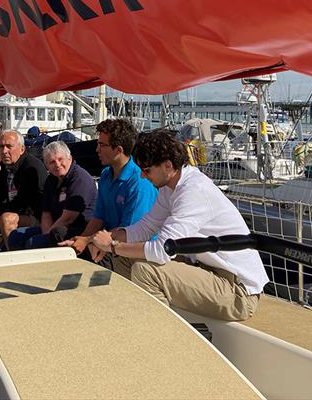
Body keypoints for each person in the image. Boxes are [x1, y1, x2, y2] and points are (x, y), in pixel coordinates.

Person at [89, 130, 269, 322]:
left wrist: (112, 245)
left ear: (167, 165)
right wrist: (109, 238)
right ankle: (138, 314)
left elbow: (161, 251)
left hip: (238, 291)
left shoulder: (193, 191)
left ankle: (164, 338)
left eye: (147, 170)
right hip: (208, 270)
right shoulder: (171, 186)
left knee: (145, 271)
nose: (142, 176)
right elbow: (146, 227)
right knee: (123, 258)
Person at [59, 119, 157, 262]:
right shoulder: (106, 175)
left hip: (133, 250)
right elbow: (99, 216)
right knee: (60, 235)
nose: (96, 149)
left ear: (118, 150)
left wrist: (88, 241)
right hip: (108, 240)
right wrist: (81, 241)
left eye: (101, 145)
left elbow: (128, 232)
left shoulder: (139, 183)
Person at [8, 140, 96, 250]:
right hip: (54, 227)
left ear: (70, 158)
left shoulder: (80, 179)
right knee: (15, 237)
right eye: (52, 162)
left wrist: (45, 238)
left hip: (77, 229)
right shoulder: (52, 180)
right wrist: (46, 234)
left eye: (60, 159)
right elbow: (46, 213)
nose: (57, 165)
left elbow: (68, 218)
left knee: (33, 243)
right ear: (47, 166)